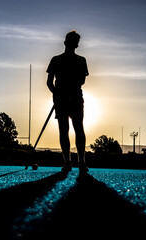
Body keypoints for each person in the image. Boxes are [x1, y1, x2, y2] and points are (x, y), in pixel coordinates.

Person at [46, 31, 89, 173]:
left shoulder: (81, 60)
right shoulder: (55, 60)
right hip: (61, 98)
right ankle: (67, 162)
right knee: (64, 129)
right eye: (71, 42)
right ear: (66, 43)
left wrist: (69, 86)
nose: (72, 44)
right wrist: (57, 94)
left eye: (74, 42)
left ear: (77, 45)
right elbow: (49, 82)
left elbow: (82, 80)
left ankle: (81, 161)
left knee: (78, 128)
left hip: (76, 96)